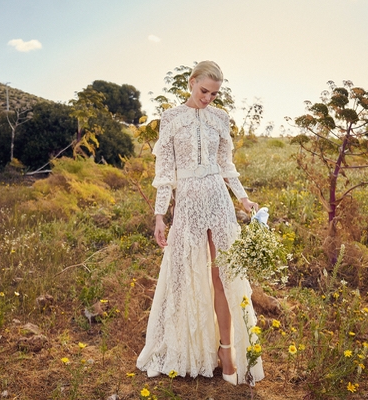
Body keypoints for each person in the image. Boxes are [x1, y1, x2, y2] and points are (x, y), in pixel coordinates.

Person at [136, 61, 264, 385]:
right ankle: (186, 349)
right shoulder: (171, 118)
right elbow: (165, 173)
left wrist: (244, 199)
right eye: (204, 90)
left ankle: (227, 351)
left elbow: (226, 166)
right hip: (188, 204)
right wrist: (160, 216)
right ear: (191, 82)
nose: (208, 98)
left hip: (218, 200)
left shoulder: (220, 118)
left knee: (224, 277)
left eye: (214, 94)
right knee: (184, 277)